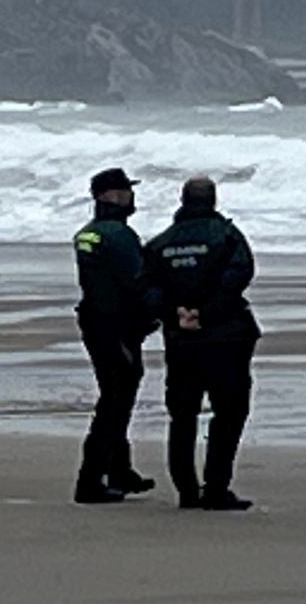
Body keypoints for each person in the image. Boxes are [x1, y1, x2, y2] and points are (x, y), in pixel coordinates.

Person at [142, 176, 262, 512]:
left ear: (183, 200)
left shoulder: (160, 244)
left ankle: (187, 491)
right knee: (230, 411)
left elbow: (146, 288)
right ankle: (216, 487)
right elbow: (240, 275)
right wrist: (207, 314)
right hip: (226, 338)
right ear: (213, 200)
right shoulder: (226, 236)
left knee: (182, 415)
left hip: (182, 340)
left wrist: (175, 314)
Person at [72, 166, 156, 503]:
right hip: (116, 326)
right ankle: (90, 479)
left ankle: (120, 469)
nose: (131, 197)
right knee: (116, 400)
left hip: (96, 322)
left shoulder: (88, 233)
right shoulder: (118, 236)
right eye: (126, 191)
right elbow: (138, 282)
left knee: (115, 393)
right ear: (112, 196)